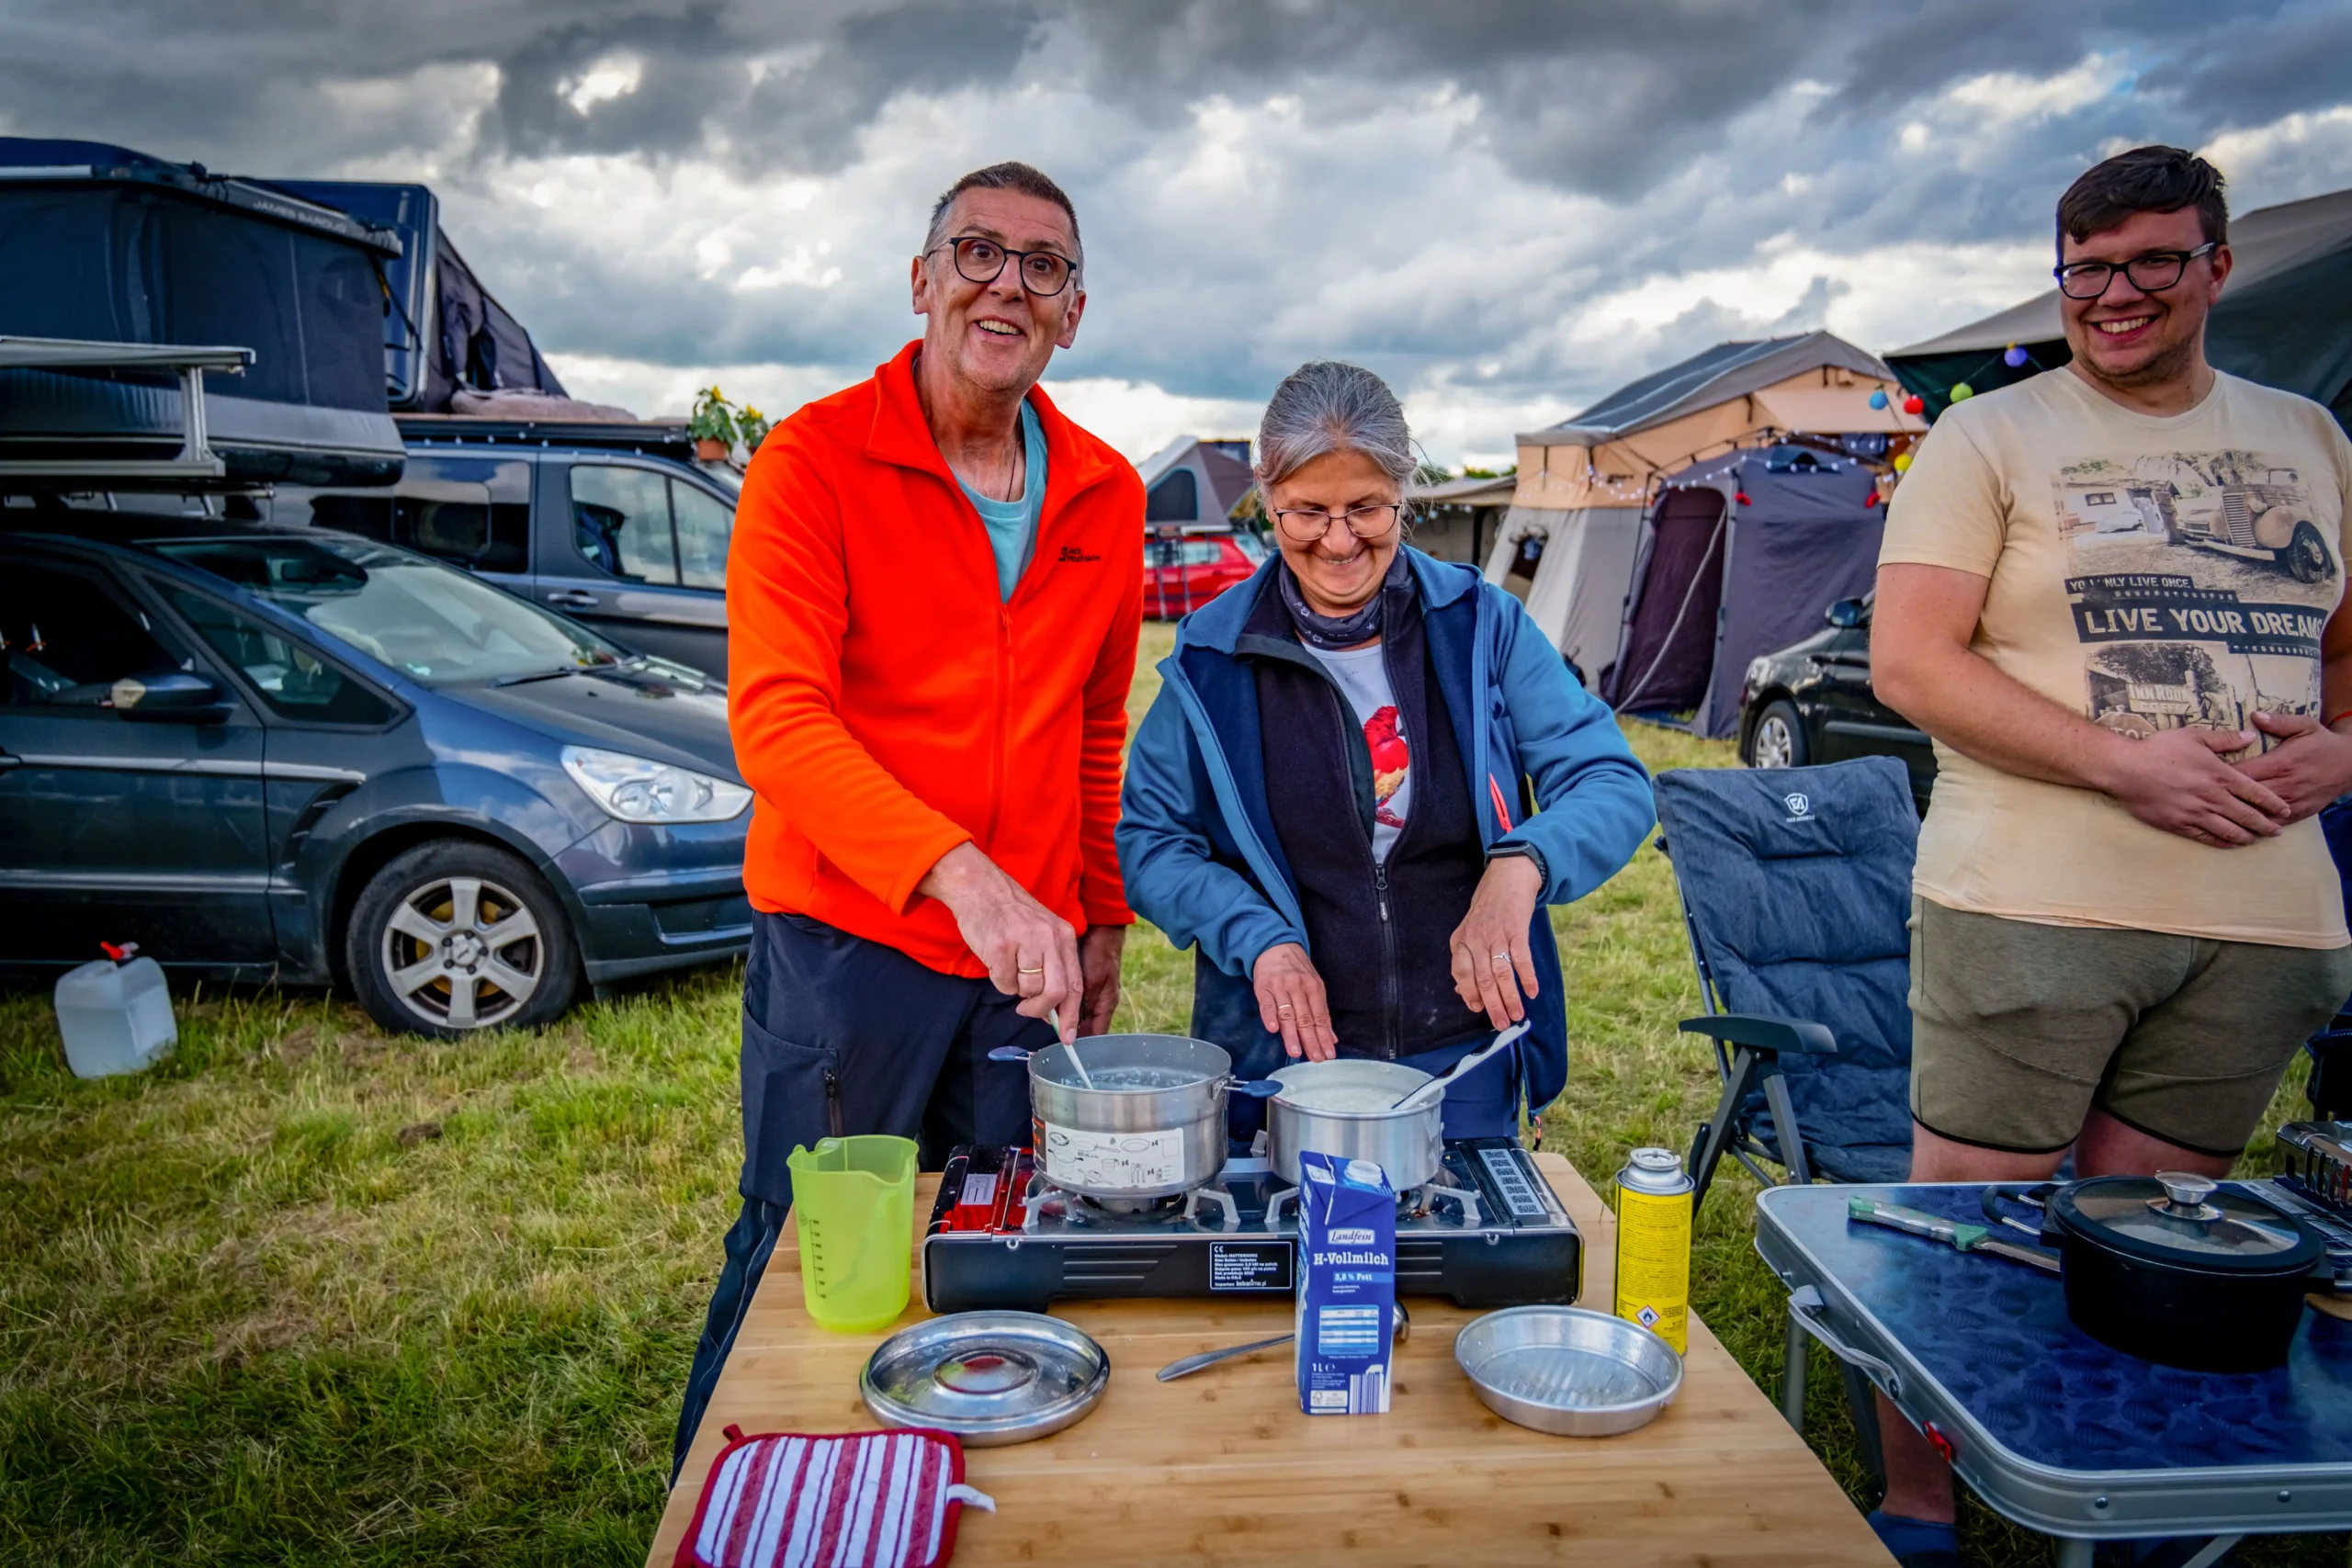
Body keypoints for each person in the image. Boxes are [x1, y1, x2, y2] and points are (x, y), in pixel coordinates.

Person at [1868, 145, 2352, 1567]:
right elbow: (1911, 660)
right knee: (1961, 1230)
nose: (2116, 293)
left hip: (2259, 923)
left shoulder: (2314, 443)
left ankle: (2115, 1487)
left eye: (2150, 260)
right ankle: (1921, 1505)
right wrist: (2124, 759)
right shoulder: (1993, 437)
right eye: (2087, 268)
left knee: (2160, 1248)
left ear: (2216, 264)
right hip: (2036, 898)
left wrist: (2344, 748)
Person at [673, 162, 1144, 1473]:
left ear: (1073, 312)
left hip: (1025, 961)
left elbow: (1099, 725)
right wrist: (964, 877)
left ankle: (961, 1500)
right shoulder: (813, 462)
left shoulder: (1106, 492)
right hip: (849, 941)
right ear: (923, 279)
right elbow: (779, 721)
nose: (1007, 281)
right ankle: (735, 1507)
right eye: (978, 251)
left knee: (998, 1247)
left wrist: (1098, 913)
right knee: (809, 1256)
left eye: (1041, 265)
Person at [1118, 361, 1654, 1141]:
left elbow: (1611, 779)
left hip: (1466, 1053)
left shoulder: (1481, 625)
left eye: (1366, 508)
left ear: (1404, 492)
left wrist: (1523, 864)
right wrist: (1257, 936)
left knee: (1458, 1260)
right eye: (1308, 513)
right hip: (1287, 1059)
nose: (1339, 542)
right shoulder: (1212, 656)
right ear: (1267, 498)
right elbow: (1150, 842)